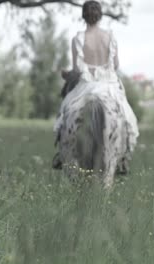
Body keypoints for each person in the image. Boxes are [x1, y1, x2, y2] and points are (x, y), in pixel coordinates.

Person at [52, 0, 139, 173]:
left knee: (64, 113)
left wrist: (71, 73)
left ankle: (61, 156)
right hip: (108, 86)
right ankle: (124, 158)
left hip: (86, 86)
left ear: (83, 16)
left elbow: (77, 70)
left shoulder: (78, 38)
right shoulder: (110, 37)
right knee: (128, 118)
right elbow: (115, 65)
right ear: (100, 16)